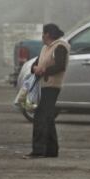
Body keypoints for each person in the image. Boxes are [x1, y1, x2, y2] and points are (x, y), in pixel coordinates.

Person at [24, 23, 69, 159]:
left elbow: (60, 66)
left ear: (48, 34)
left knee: (40, 117)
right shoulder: (45, 48)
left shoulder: (60, 46)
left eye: (43, 34)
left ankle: (38, 150)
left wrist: (44, 71)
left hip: (52, 86)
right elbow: (34, 64)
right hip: (42, 85)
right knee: (48, 118)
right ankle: (51, 150)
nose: (42, 36)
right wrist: (35, 69)